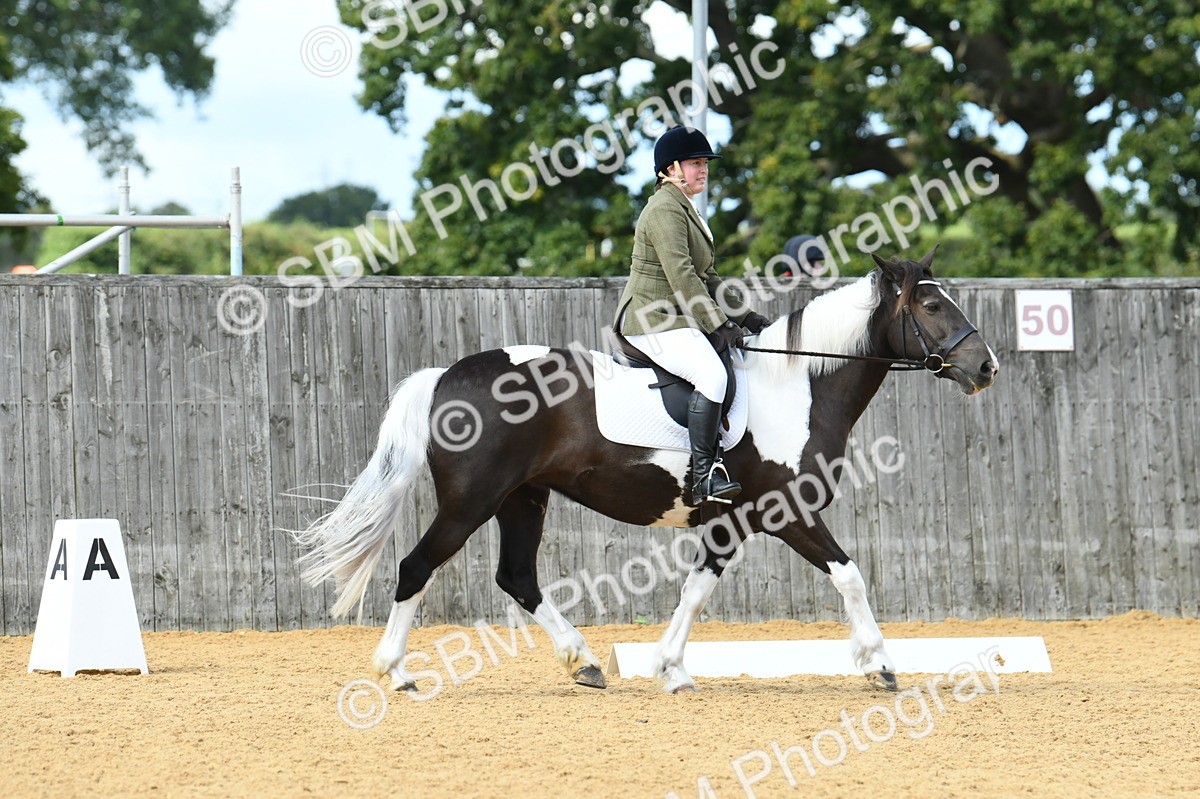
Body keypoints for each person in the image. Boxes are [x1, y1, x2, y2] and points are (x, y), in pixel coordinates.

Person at [613, 125, 769, 506]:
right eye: (695, 163)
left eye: (705, 164)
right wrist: (718, 324)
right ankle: (704, 477)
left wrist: (747, 318)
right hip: (652, 318)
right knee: (712, 374)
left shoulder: (688, 209)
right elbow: (681, 274)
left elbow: (708, 277)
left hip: (677, 317)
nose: (703, 170)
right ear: (670, 168)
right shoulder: (665, 208)